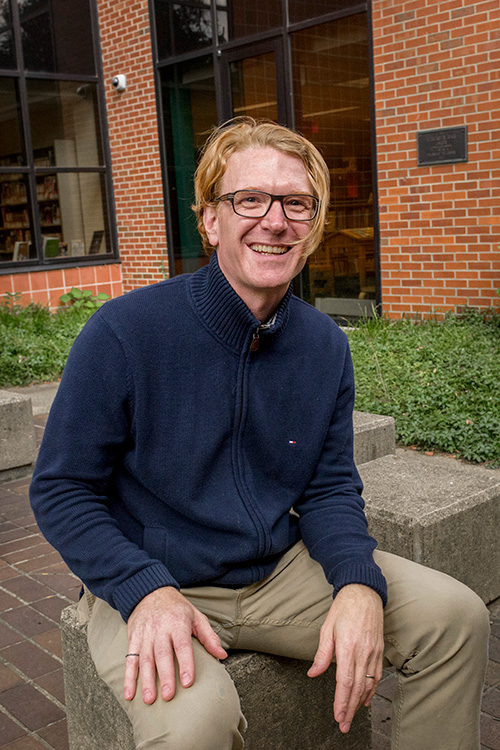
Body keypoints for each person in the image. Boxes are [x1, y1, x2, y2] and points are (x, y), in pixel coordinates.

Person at [30, 118, 489, 750]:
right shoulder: (125, 332)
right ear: (211, 220)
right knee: (196, 723)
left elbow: (329, 488)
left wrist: (356, 579)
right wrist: (143, 591)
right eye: (250, 199)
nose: (274, 221)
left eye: (296, 203)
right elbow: (62, 490)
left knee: (455, 618)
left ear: (313, 227)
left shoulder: (324, 345)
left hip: (279, 571)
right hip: (151, 576)